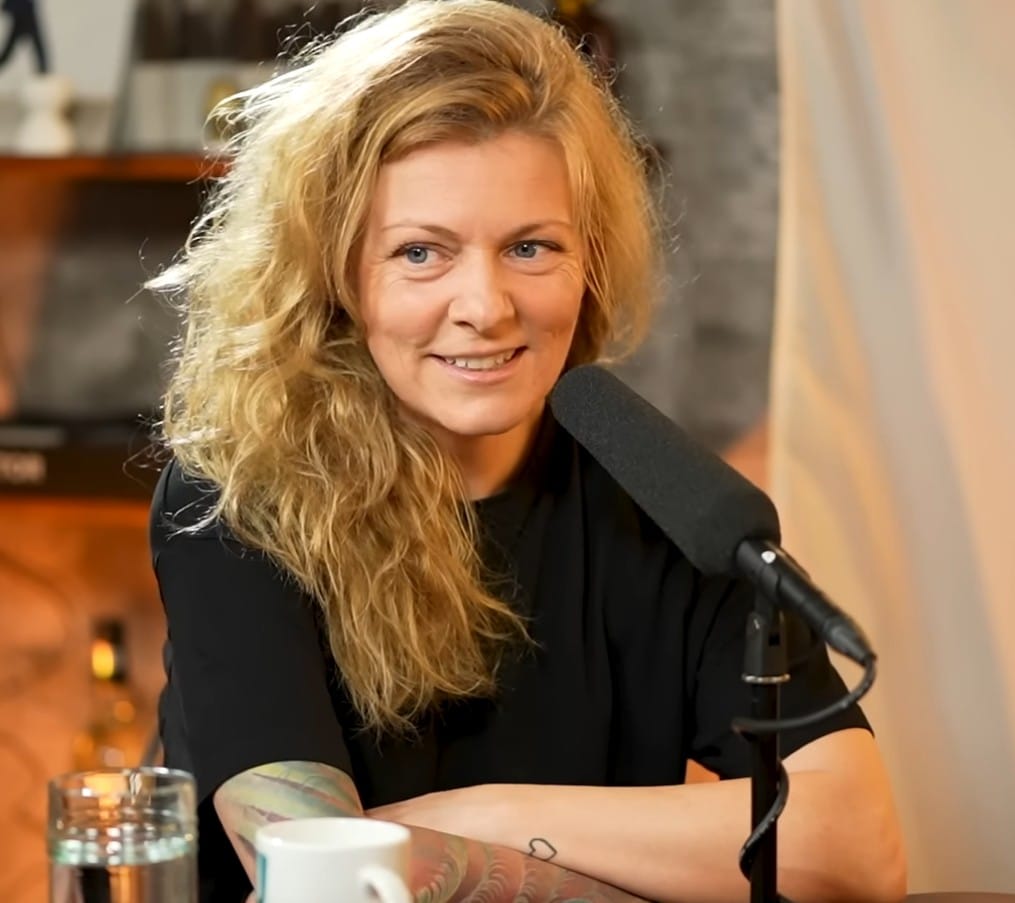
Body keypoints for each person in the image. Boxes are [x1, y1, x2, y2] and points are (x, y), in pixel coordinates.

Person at [148, 2, 907, 901]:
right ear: (335, 274)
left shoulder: (670, 500)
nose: (485, 305)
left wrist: (484, 817)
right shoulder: (238, 493)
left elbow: (854, 848)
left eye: (530, 247)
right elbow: (318, 875)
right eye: (421, 253)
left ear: (590, 262)